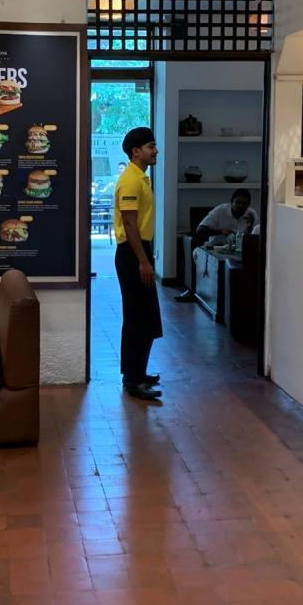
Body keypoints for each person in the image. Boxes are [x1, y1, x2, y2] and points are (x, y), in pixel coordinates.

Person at [113, 127, 163, 401]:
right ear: (136, 151)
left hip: (139, 251)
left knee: (145, 316)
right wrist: (143, 261)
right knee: (137, 317)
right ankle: (133, 379)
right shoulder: (131, 180)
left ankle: (137, 372)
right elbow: (130, 224)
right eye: (151, 147)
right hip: (133, 253)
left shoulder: (141, 177)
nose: (155, 151)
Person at [175, 189, 258, 303]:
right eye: (238, 202)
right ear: (231, 202)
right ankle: (193, 291)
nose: (241, 206)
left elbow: (254, 237)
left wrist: (249, 225)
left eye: (245, 204)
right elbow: (200, 230)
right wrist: (221, 231)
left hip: (237, 250)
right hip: (216, 247)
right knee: (198, 253)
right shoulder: (221, 210)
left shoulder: (251, 214)